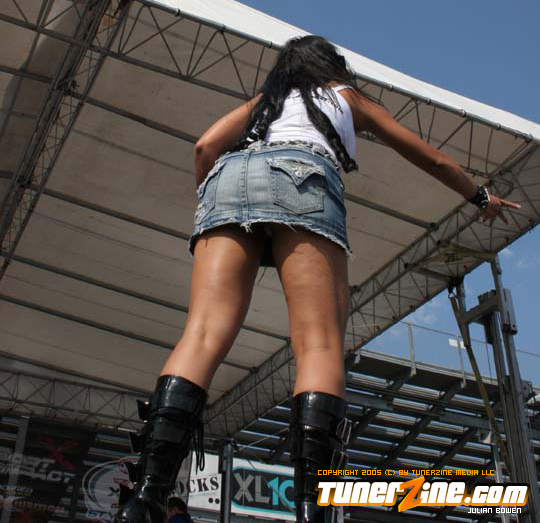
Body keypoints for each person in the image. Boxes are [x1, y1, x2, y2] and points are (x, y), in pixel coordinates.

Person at [115, 35, 520, 523]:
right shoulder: (346, 96)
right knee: (319, 345)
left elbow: (205, 146)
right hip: (303, 175)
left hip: (228, 180)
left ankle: (146, 496)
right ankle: (311, 507)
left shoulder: (268, 100)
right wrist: (480, 198)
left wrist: (220, 204)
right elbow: (429, 157)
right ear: (333, 66)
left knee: (201, 335)